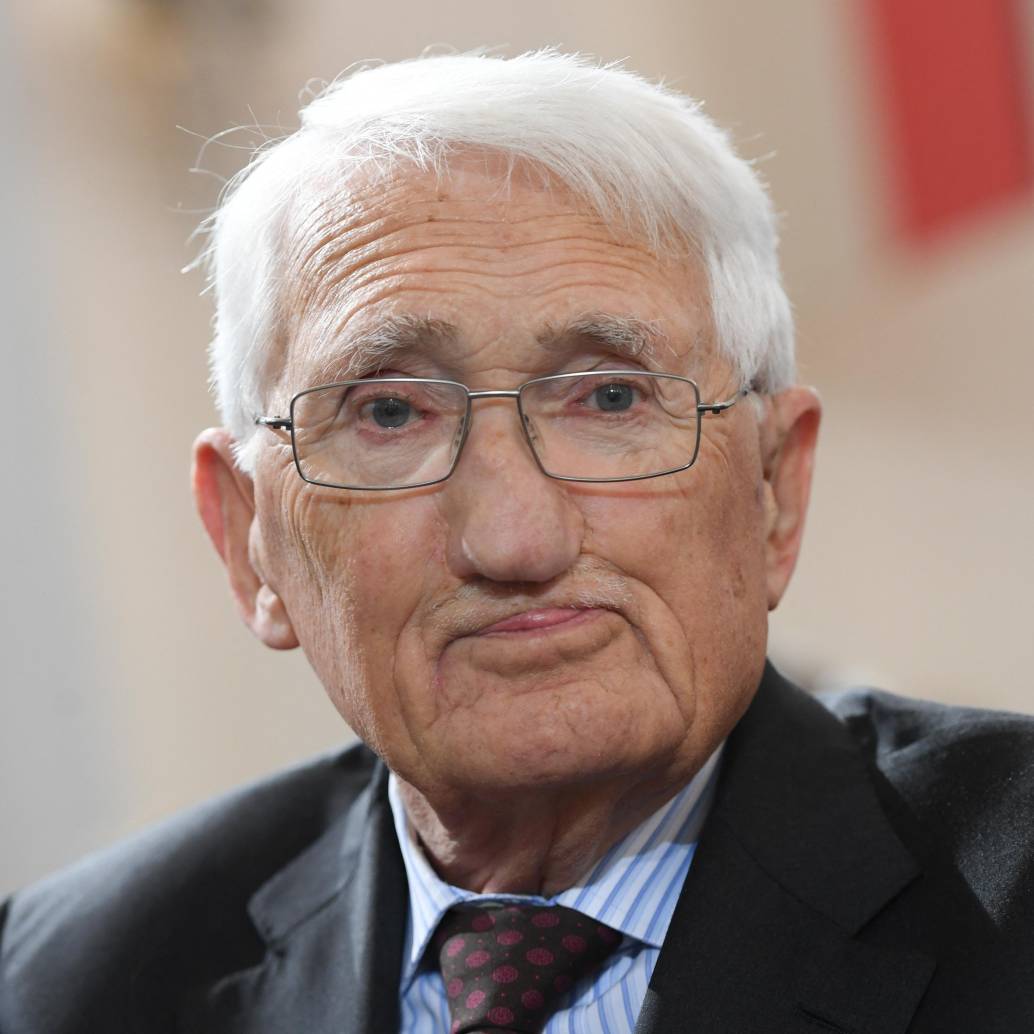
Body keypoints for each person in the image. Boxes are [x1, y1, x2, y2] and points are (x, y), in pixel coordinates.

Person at [1, 50, 1031, 1034]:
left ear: (772, 488)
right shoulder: (71, 980)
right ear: (248, 539)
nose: (512, 535)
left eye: (611, 396)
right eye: (390, 413)